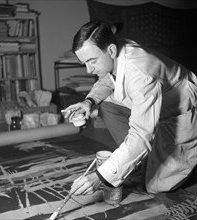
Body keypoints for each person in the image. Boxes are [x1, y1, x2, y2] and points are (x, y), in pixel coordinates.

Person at [62, 21, 197, 195]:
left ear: (110, 50)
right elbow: (107, 78)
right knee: (107, 104)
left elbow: (141, 134)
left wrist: (101, 177)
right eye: (84, 63)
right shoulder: (115, 49)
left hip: (181, 111)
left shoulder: (141, 74)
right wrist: (89, 101)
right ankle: (139, 163)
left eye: (92, 61)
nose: (88, 70)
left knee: (155, 186)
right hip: (155, 107)